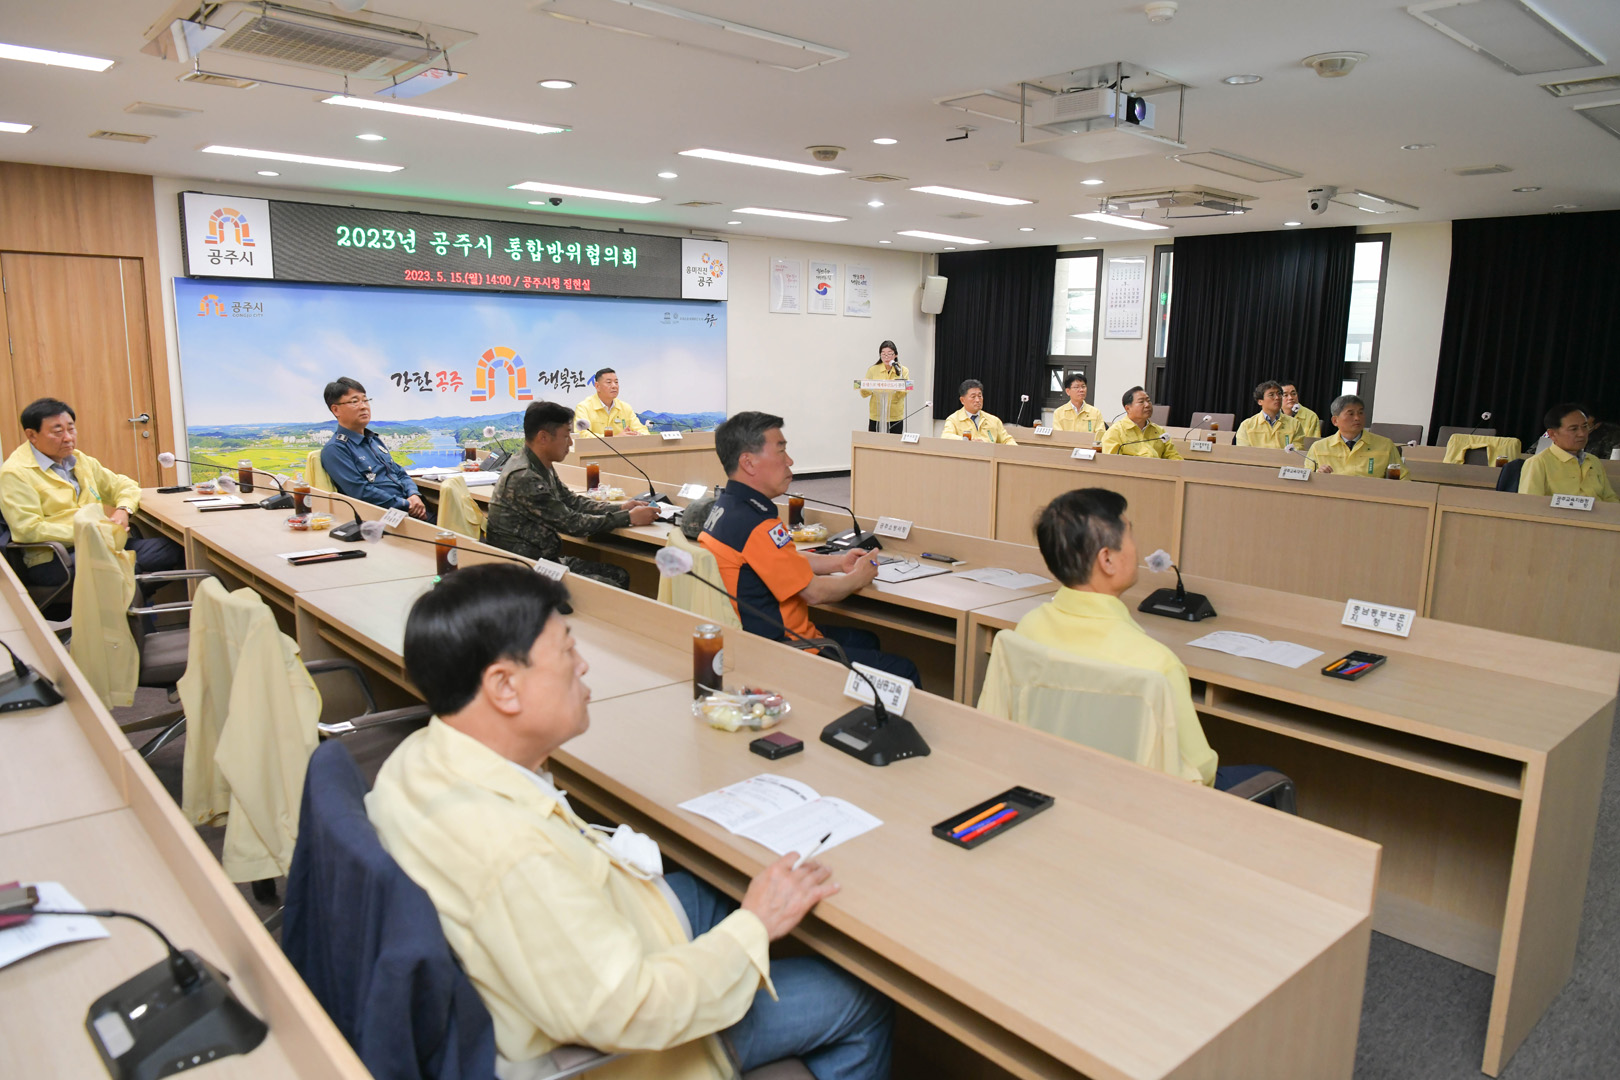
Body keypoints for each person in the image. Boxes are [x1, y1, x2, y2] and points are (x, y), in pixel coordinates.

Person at [366, 564, 894, 1080]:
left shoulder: (418, 758)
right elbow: (629, 1010)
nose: (583, 667)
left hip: (590, 933)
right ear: (503, 686)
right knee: (859, 997)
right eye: (567, 651)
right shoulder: (514, 855)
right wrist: (754, 925)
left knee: (722, 889)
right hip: (635, 1042)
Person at [1012, 489, 1217, 786]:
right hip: (1129, 798)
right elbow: (1200, 773)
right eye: (1130, 534)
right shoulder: (1157, 665)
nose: (1136, 547)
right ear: (1107, 559)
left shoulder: (1027, 628)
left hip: (1048, 781)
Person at [700, 411, 921, 685]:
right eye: (781, 451)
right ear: (749, 463)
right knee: (905, 670)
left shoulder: (727, 508)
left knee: (867, 639)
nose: (790, 461)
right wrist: (859, 577)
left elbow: (781, 561)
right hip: (785, 647)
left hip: (752, 636)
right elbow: (814, 593)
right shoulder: (756, 524)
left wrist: (839, 562)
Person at [0, 396, 184, 593]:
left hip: (103, 545)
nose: (68, 438)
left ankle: (124, 599)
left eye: (71, 429)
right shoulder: (16, 473)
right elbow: (28, 530)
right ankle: (129, 605)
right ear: (31, 435)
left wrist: (124, 510)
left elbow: (125, 486)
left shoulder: (79, 460)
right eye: (58, 432)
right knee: (122, 569)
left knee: (173, 549)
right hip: (56, 559)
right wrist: (92, 532)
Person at [485, 402, 658, 588]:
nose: (570, 443)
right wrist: (628, 518)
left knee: (618, 575)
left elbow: (571, 501)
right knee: (611, 583)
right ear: (543, 437)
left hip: (540, 558)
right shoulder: (525, 476)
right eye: (566, 436)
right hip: (526, 568)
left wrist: (621, 507)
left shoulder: (538, 464)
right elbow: (572, 523)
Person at [319, 377, 433, 521]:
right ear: (336, 410)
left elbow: (398, 472)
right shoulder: (336, 449)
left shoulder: (374, 440)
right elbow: (361, 492)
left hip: (411, 507)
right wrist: (406, 504)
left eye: (365, 400)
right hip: (386, 517)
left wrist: (413, 494)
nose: (363, 406)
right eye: (354, 401)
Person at [1518, 403, 1618, 502]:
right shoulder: (1538, 462)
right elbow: (1530, 504)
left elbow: (1610, 498)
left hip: (1598, 512)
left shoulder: (1594, 461)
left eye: (1585, 426)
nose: (1582, 434)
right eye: (1574, 429)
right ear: (1552, 434)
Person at [1304, 395, 1408, 479]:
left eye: (1361, 413)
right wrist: (1318, 477)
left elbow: (1403, 479)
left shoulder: (1385, 445)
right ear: (1335, 421)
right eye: (1351, 414)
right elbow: (1307, 480)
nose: (1357, 418)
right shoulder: (1318, 447)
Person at [1099, 388, 1183, 460]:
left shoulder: (1159, 431)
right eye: (1141, 402)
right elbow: (1112, 462)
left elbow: (1173, 457)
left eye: (1148, 401)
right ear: (1128, 408)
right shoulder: (1115, 431)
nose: (1147, 405)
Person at [574, 367, 651, 437]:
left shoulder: (625, 407)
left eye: (616, 382)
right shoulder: (583, 407)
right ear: (597, 386)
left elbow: (643, 430)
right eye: (609, 382)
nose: (614, 386)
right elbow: (582, 435)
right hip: (595, 448)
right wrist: (615, 438)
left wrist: (638, 434)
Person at [940, 380, 1017, 444]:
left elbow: (1007, 440)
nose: (977, 400)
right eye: (973, 397)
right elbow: (946, 436)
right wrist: (968, 441)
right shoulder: (954, 419)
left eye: (980, 396)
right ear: (962, 400)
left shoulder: (993, 420)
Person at [861, 341, 910, 434]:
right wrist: (864, 385)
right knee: (874, 441)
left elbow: (903, 393)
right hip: (877, 414)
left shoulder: (903, 370)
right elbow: (865, 394)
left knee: (893, 442)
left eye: (889, 354)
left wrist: (896, 386)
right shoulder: (873, 370)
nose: (886, 357)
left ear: (895, 355)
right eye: (883, 354)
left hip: (895, 415)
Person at [1234, 380, 1301, 449]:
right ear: (1260, 401)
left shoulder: (1295, 424)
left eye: (1279, 394)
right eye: (1271, 395)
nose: (1277, 397)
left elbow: (1297, 451)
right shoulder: (1247, 425)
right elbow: (1244, 452)